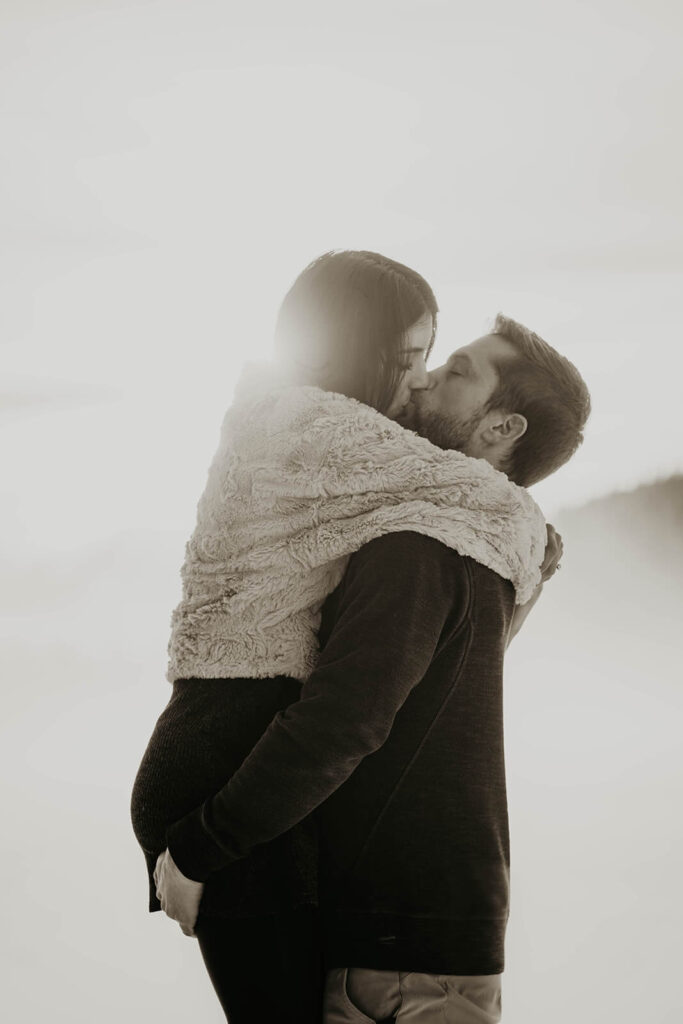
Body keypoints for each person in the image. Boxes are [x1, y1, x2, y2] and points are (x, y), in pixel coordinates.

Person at [150, 312, 589, 1023]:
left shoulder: (425, 546)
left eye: (456, 373)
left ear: (500, 429)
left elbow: (344, 721)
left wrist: (202, 848)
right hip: (418, 942)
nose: (423, 376)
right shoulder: (485, 552)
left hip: (401, 956)